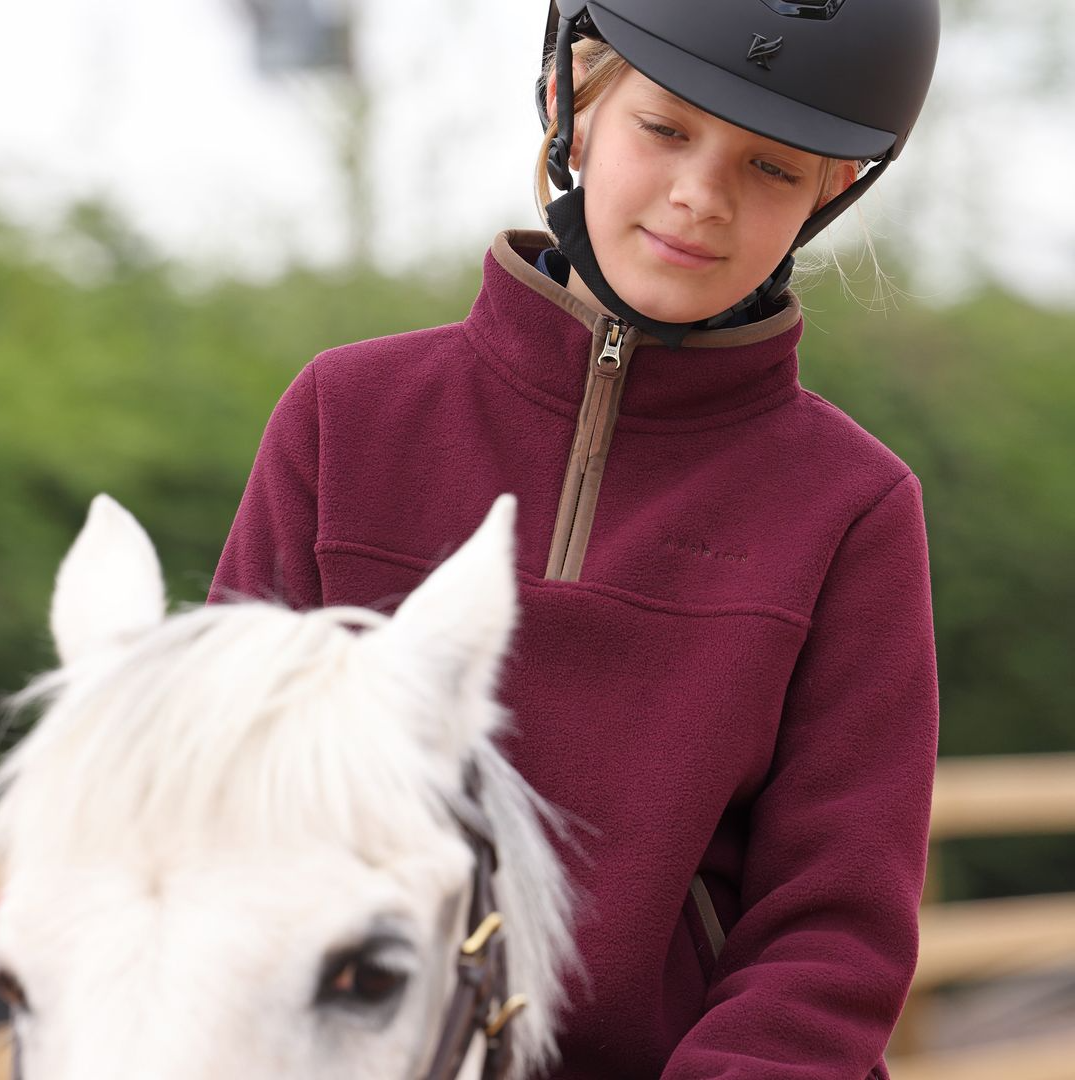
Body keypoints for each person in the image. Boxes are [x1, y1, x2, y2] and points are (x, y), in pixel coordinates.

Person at [209, 1, 942, 1076]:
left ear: (831, 193)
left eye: (772, 169)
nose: (701, 196)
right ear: (570, 108)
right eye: (665, 129)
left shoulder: (855, 509)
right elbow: (225, 809)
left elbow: (833, 930)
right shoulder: (345, 418)